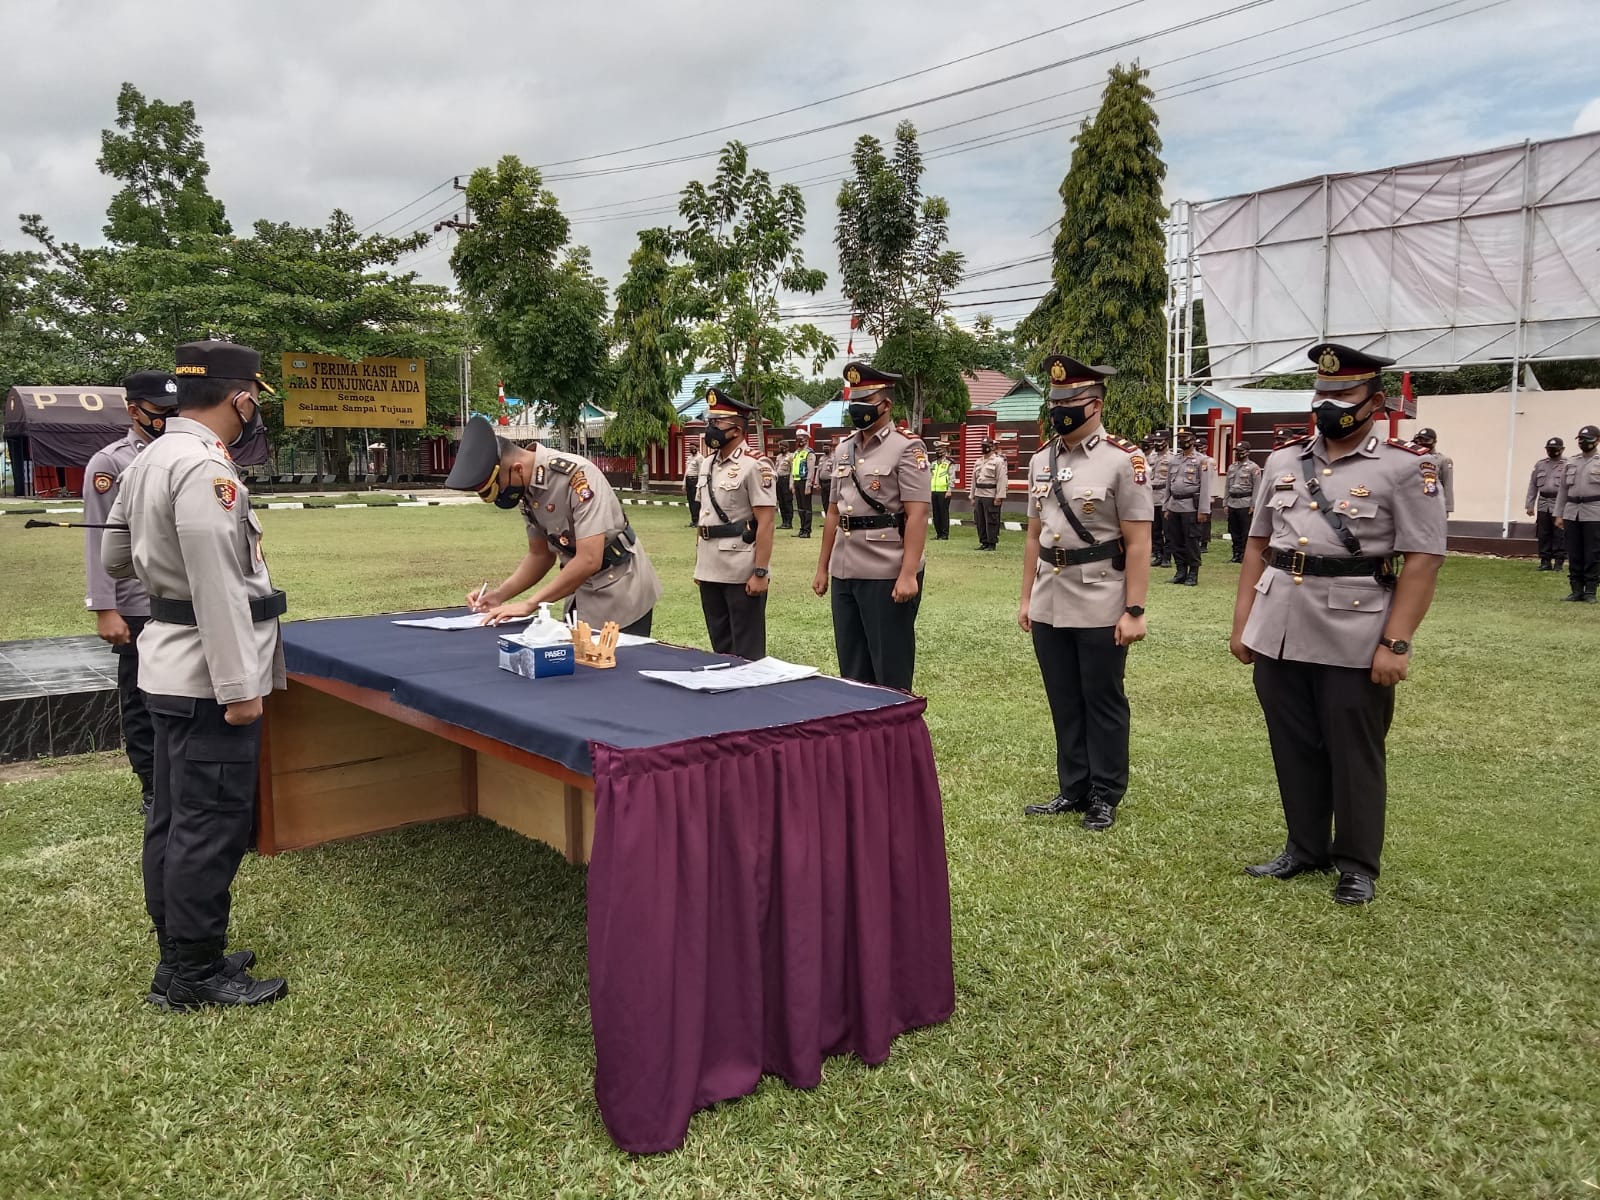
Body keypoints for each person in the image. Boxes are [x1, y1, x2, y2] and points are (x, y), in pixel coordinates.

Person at [103, 339, 289, 1009]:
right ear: (240, 397)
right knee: (209, 823)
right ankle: (191, 973)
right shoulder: (206, 468)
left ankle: (180, 947)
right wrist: (241, 689)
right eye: (255, 399)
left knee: (174, 817)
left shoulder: (149, 456)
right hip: (209, 675)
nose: (255, 410)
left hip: (166, 662)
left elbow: (117, 555)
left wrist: (163, 576)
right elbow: (218, 585)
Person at [1230, 343, 1446, 907]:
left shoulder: (1405, 467)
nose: (1329, 405)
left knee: (1354, 749)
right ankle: (1305, 847)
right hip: (1279, 621)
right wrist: (1244, 622)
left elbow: (1422, 560)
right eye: (1322, 394)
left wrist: (1396, 642)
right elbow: (1257, 544)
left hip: (1356, 627)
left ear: (1375, 400)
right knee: (1293, 742)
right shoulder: (1283, 462)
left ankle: (1356, 862)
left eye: (1343, 395)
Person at [1018, 355, 1153, 832]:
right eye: (1054, 402)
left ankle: (1105, 793)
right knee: (1063, 697)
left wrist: (1134, 609)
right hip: (1050, 593)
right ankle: (1073, 787)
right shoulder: (1041, 459)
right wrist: (1025, 598)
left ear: (1094, 404)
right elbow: (1034, 535)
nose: (1058, 410)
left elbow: (1138, 543)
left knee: (1102, 697)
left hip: (1100, 595)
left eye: (1068, 402)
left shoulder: (1124, 460)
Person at [446, 415, 663, 633]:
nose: (502, 495)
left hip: (621, 590)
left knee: (613, 662)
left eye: (499, 487)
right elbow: (540, 555)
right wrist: (499, 595)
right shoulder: (527, 490)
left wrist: (530, 604)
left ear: (518, 469)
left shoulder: (577, 476)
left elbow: (589, 559)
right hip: (580, 591)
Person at [84, 370, 179, 815]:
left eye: (172, 411)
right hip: (137, 604)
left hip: (180, 599)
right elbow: (98, 540)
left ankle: (180, 774)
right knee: (141, 699)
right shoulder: (111, 463)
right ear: (134, 410)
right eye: (159, 412)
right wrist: (105, 607)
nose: (166, 419)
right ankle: (152, 786)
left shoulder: (186, 453)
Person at [813, 362, 931, 690]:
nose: (858, 408)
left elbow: (917, 514)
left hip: (885, 569)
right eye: (855, 400)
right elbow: (834, 512)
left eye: (866, 400)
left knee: (889, 667)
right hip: (845, 567)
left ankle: (895, 738)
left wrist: (908, 573)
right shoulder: (843, 449)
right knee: (851, 669)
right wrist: (823, 567)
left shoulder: (907, 447)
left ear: (886, 405)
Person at [689, 388, 778, 659]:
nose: (710, 428)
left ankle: (751, 700)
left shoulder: (755, 465)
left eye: (716, 423)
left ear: (736, 430)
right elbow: (705, 515)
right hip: (710, 567)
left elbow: (766, 521)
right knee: (720, 648)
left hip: (741, 568)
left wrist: (760, 572)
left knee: (747, 650)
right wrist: (699, 565)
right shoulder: (706, 464)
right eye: (709, 422)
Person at [1554, 423, 1600, 603]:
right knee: (1574, 553)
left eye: (1586, 439)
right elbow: (1563, 491)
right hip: (1572, 512)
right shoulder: (1571, 462)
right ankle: (1576, 590)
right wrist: (1559, 514)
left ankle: (1590, 591)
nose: (1582, 442)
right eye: (1580, 439)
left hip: (1595, 512)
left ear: (1597, 440)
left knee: (1593, 553)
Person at [1164, 429, 1211, 585]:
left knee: (1191, 542)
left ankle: (1193, 573)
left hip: (1191, 506)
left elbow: (1205, 487)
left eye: (1185, 438)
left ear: (1193, 440)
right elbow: (1168, 485)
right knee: (1176, 541)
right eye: (1180, 438)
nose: (1182, 441)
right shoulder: (1174, 460)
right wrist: (1166, 506)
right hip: (1174, 505)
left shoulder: (1201, 461)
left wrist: (1203, 510)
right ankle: (1180, 571)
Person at [1526, 437, 1566, 571]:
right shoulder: (1540, 465)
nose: (1551, 452)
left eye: (1555, 449)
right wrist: (1530, 505)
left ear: (1562, 449)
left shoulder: (1567, 464)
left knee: (1559, 534)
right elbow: (1533, 485)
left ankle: (1559, 562)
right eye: (1549, 449)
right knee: (1543, 533)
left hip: (1559, 502)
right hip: (1543, 502)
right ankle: (1545, 561)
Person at [1223, 442, 1262, 563]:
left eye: (1240, 451)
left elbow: (1257, 487)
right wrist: (1225, 502)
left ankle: (1244, 555)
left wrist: (1253, 505)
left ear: (1247, 452)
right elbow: (1227, 486)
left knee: (1245, 531)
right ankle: (1236, 553)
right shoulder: (1232, 467)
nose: (1238, 453)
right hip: (1233, 502)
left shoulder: (1253, 468)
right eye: (1236, 451)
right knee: (1234, 531)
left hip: (1245, 502)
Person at [969, 439, 1007, 550]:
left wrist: (999, 496)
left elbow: (1001, 479)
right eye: (982, 446)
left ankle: (992, 543)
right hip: (979, 493)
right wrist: (972, 496)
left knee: (991, 519)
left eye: (985, 446)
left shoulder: (998, 461)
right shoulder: (978, 461)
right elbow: (973, 480)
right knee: (980, 520)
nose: (983, 448)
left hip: (990, 494)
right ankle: (983, 541)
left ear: (992, 447)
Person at [1412, 428, 1454, 517]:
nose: (1422, 442)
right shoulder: (1413, 458)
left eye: (1426, 440)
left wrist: (1447, 508)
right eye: (1420, 439)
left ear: (1434, 442)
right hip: (1415, 503)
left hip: (1433, 502)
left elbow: (1447, 485)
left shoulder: (1443, 460)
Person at [1148, 433, 1172, 566]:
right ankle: (1158, 554)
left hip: (1164, 497)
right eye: (1155, 441)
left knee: (1167, 530)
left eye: (1160, 441)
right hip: (1152, 497)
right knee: (1155, 529)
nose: (1157, 444)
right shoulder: (1150, 458)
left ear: (1166, 441)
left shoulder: (1172, 458)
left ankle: (1167, 557)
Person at [790, 428, 817, 538]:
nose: (799, 441)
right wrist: (791, 483)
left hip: (804, 481)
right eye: (797, 439)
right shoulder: (796, 453)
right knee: (800, 507)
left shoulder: (809, 453)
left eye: (801, 438)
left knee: (807, 507)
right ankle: (802, 529)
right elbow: (793, 469)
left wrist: (808, 484)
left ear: (806, 439)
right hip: (796, 481)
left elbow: (811, 470)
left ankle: (807, 530)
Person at [929, 442, 956, 540]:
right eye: (937, 450)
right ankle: (938, 533)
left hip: (944, 491)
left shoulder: (949, 463)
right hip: (934, 490)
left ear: (945, 451)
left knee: (943, 513)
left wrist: (949, 489)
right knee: (936, 514)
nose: (938, 452)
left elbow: (952, 477)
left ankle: (944, 534)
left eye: (940, 450)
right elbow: (930, 476)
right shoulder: (933, 463)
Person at [774, 442, 795, 529]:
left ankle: (789, 522)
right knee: (781, 502)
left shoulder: (791, 456)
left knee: (787, 502)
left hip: (786, 480)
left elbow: (792, 470)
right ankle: (783, 522)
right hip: (779, 480)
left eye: (782, 447)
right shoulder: (778, 457)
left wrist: (791, 483)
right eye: (779, 447)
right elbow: (776, 469)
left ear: (786, 448)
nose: (780, 448)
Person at [683, 438, 704, 527]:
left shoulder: (700, 458)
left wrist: (699, 484)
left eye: (693, 447)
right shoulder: (689, 458)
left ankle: (697, 521)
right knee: (690, 501)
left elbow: (701, 472)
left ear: (697, 448)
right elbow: (686, 471)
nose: (691, 449)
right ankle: (693, 520)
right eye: (690, 447)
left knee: (696, 502)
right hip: (688, 481)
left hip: (695, 480)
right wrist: (684, 483)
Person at [815, 440, 835, 513]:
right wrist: (817, 483)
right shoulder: (821, 458)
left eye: (827, 447)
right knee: (824, 502)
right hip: (823, 483)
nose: (825, 448)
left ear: (831, 448)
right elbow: (818, 471)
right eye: (824, 447)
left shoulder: (834, 458)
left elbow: (835, 472)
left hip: (831, 483)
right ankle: (827, 520)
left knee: (831, 502)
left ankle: (832, 520)